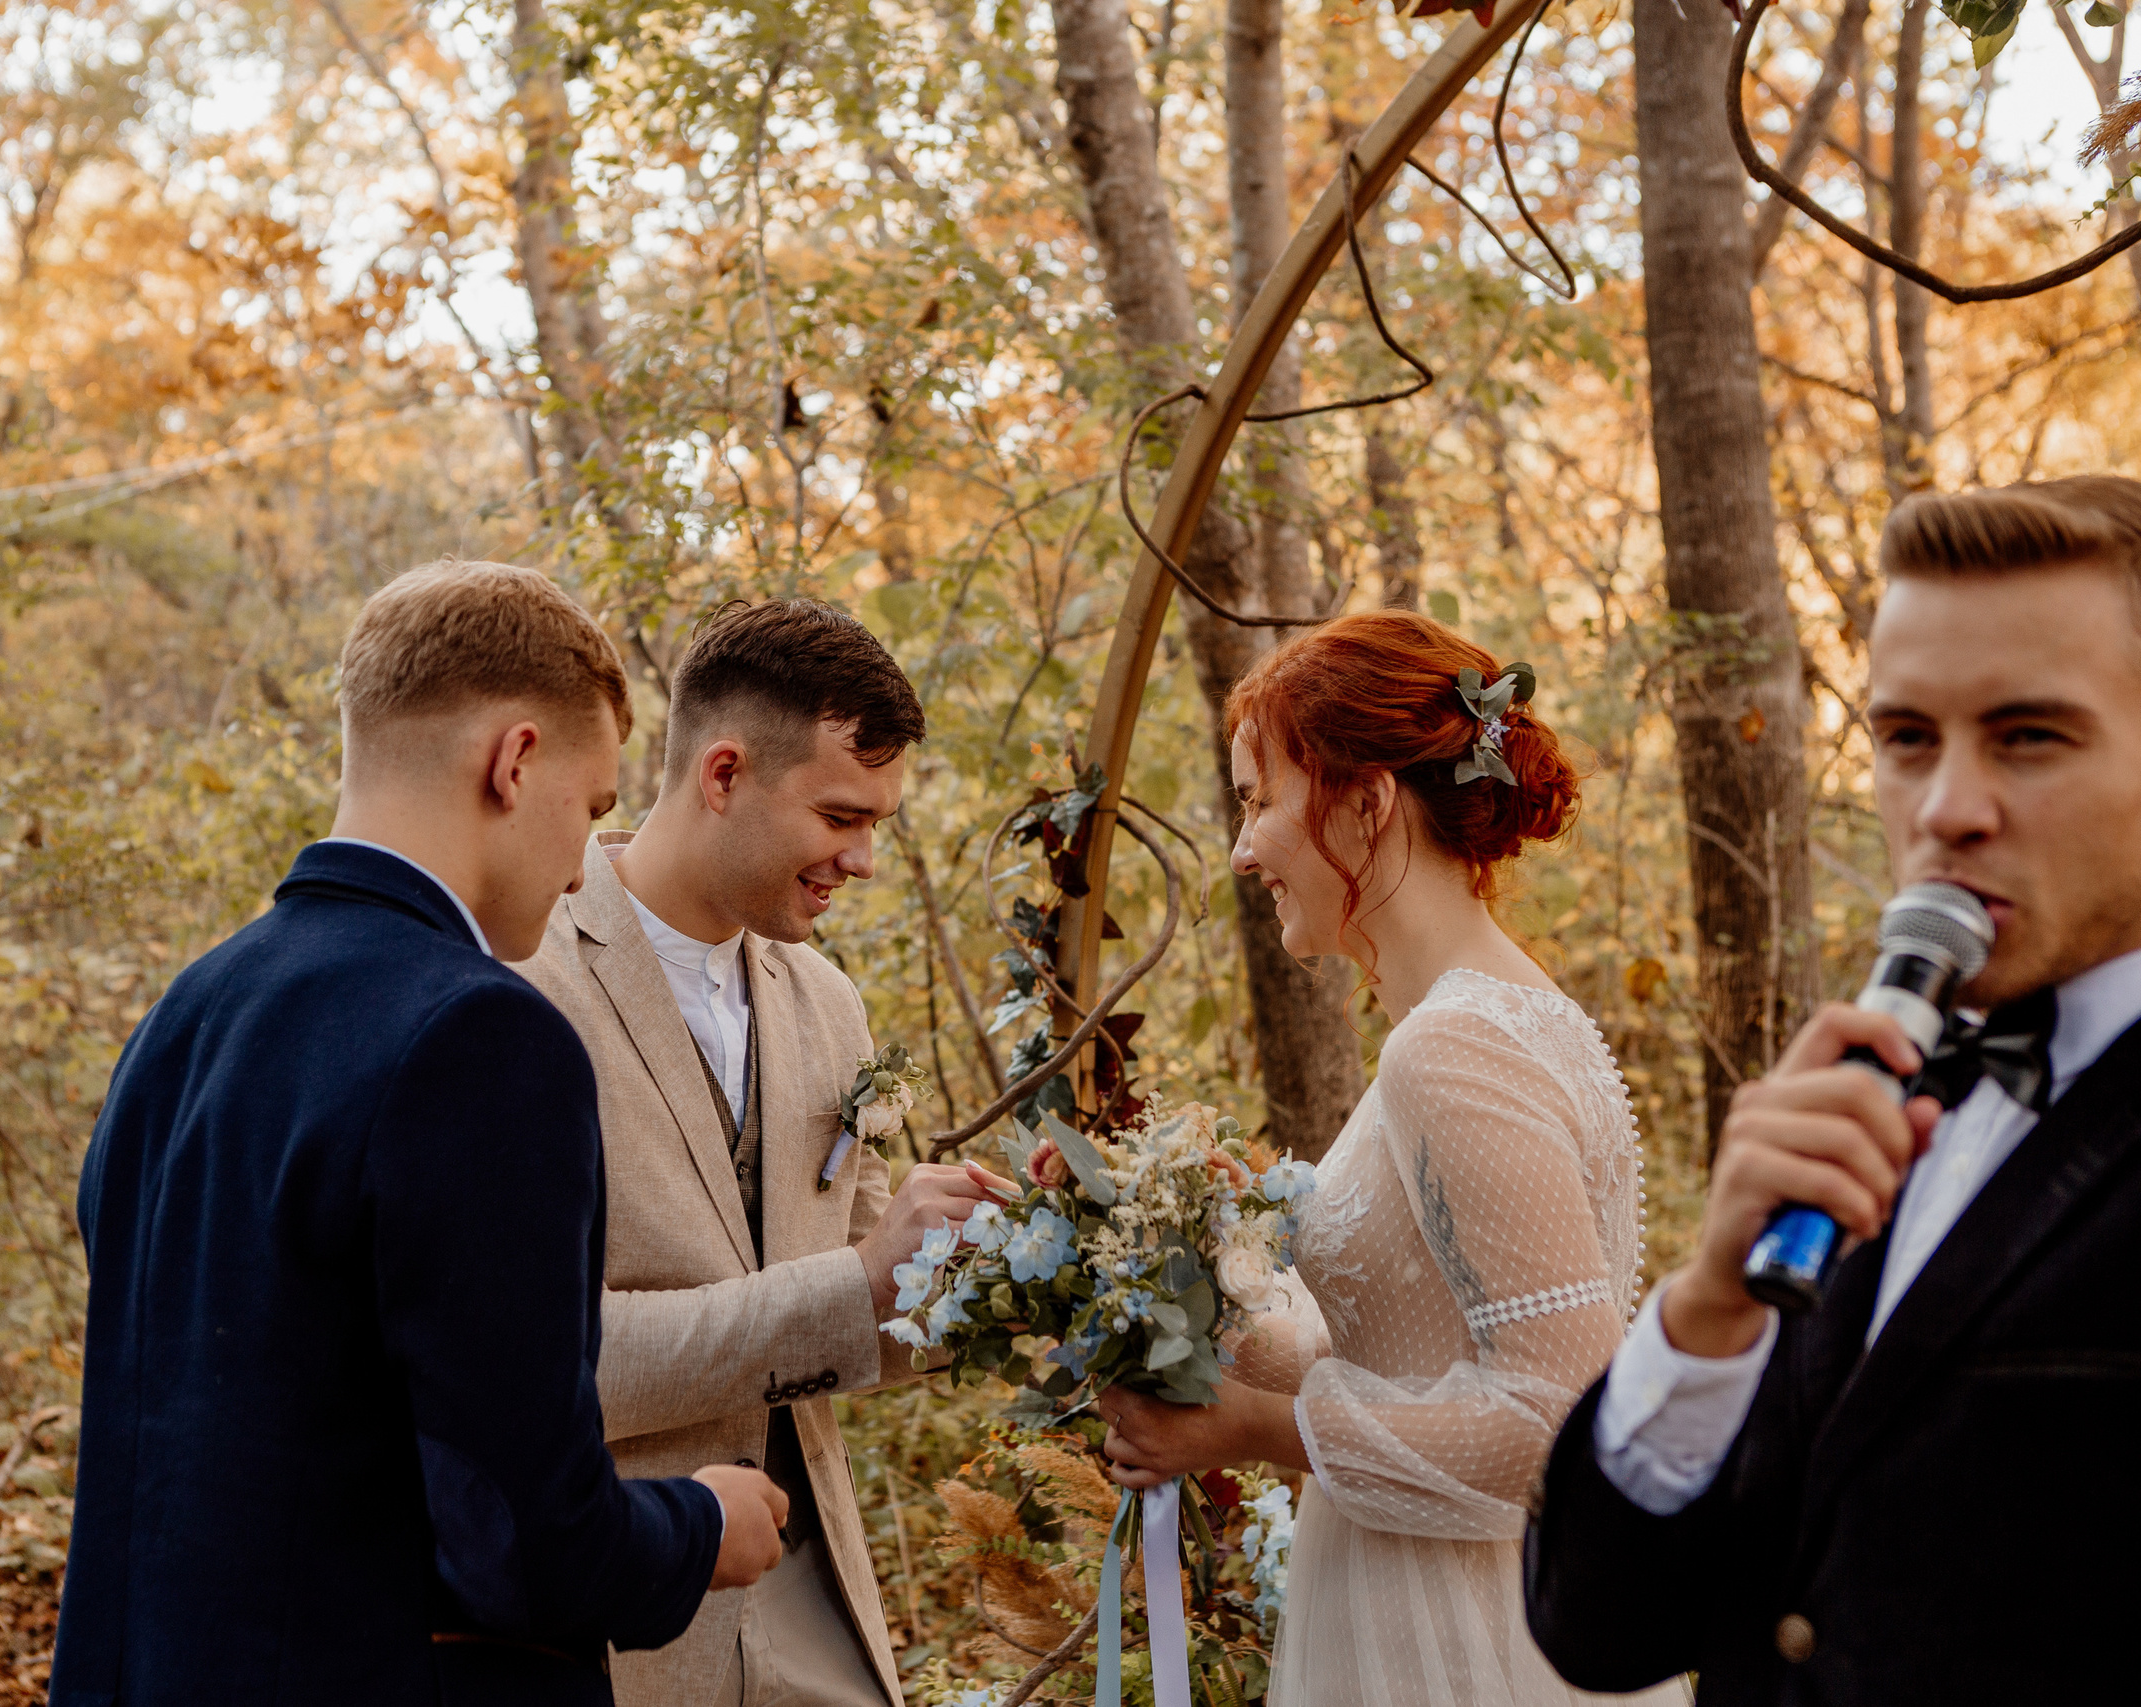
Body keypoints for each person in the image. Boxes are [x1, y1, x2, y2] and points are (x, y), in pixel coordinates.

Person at [50, 562, 788, 1707]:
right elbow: (518, 1544)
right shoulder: (479, 1035)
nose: (582, 868)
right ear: (515, 760)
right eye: (592, 810)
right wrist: (698, 1527)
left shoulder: (185, 1016)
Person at [1523, 477, 2141, 1703]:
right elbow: (1597, 1632)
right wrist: (1708, 1310)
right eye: (1905, 738)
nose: (1946, 810)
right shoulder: (1867, 1103)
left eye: (2028, 735)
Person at [1090, 611, 1681, 1707]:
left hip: (1454, 1640)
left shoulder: (1453, 1048)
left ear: (1367, 801)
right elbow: (1406, 1350)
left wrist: (1248, 1430)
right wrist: (1183, 1279)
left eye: (1259, 801)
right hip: (1424, 1592)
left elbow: (1559, 1417)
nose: (1243, 850)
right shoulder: (1477, 1020)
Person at [515, 599, 1016, 1707]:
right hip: (620, 1636)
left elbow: (870, 1313)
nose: (865, 860)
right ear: (724, 773)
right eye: (840, 815)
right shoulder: (518, 985)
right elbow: (547, 1367)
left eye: (877, 822)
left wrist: (1028, 1263)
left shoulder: (828, 1001)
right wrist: (856, 1282)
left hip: (822, 1625)